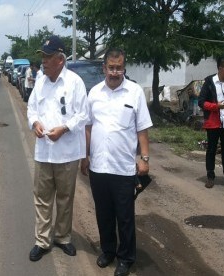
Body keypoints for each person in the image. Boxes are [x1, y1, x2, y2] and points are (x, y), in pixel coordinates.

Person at [81, 48, 152, 276]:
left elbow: (142, 128)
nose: (114, 72)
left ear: (124, 68)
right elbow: (89, 128)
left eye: (118, 67)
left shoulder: (134, 92)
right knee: (103, 213)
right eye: (111, 67)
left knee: (125, 216)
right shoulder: (94, 93)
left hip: (123, 168)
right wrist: (86, 156)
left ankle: (126, 258)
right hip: (99, 167)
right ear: (104, 68)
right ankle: (108, 251)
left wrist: (144, 158)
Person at [27, 35, 88, 262]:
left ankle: (62, 237)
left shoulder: (75, 82)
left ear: (60, 59)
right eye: (43, 56)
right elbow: (31, 109)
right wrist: (35, 123)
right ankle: (42, 241)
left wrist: (64, 128)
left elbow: (83, 115)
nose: (43, 61)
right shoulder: (40, 82)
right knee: (42, 198)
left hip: (67, 153)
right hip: (44, 152)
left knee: (65, 197)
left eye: (48, 56)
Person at [198, 57, 224, 190]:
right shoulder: (209, 82)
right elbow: (201, 102)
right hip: (213, 122)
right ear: (220, 68)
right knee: (211, 150)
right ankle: (210, 177)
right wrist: (216, 106)